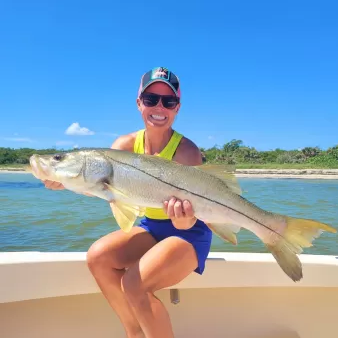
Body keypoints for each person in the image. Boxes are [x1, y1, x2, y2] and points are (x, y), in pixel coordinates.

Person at [43, 67, 213, 338]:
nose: (159, 107)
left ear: (177, 107)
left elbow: (198, 214)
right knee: (98, 257)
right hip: (151, 227)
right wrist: (65, 182)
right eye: (150, 99)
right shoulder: (123, 145)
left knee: (134, 284)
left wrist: (186, 220)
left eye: (168, 101)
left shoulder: (187, 152)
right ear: (139, 103)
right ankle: (133, 333)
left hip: (189, 233)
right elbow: (106, 189)